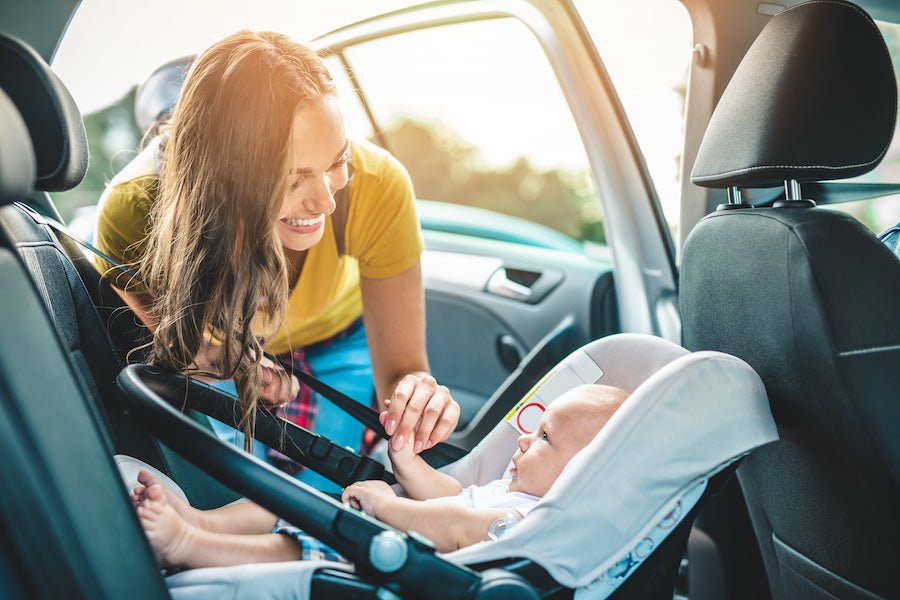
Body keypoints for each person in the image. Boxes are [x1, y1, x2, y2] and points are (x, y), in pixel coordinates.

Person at [91, 31, 459, 488]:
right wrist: (227, 361)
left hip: (338, 338)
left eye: (336, 160)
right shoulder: (134, 210)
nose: (326, 201)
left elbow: (403, 372)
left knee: (323, 492)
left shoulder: (379, 184)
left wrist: (416, 396)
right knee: (237, 491)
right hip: (224, 347)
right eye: (291, 178)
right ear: (221, 177)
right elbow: (173, 345)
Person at [133, 384, 628, 568]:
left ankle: (188, 547)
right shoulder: (507, 489)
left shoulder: (530, 518)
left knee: (301, 545)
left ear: (582, 474)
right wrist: (407, 462)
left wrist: (386, 505)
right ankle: (201, 520)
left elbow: (456, 525)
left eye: (544, 438)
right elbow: (452, 494)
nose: (524, 439)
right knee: (287, 500)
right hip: (383, 525)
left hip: (393, 554)